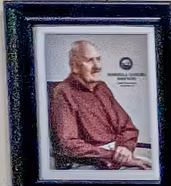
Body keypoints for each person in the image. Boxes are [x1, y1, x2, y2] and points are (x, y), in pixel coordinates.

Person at [48, 39, 151, 170]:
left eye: (98, 59)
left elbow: (128, 128)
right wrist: (113, 156)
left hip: (115, 156)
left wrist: (125, 147)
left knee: (151, 166)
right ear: (74, 66)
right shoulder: (63, 92)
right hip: (89, 162)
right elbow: (68, 144)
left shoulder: (102, 88)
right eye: (89, 60)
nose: (97, 66)